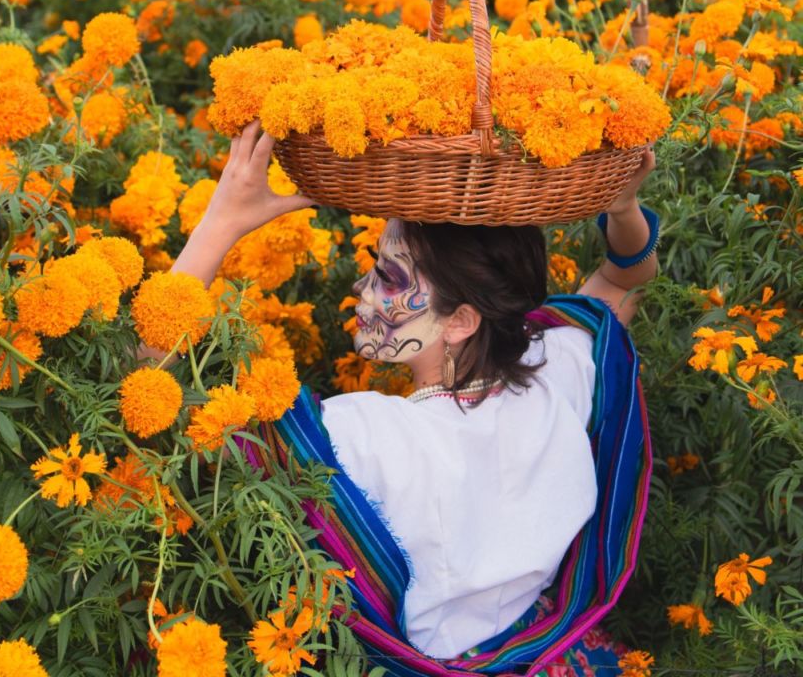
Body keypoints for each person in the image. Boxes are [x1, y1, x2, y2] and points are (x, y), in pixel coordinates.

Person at [168, 120, 657, 670]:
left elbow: (155, 388)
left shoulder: (363, 438)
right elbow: (627, 276)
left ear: (461, 321)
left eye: (387, 276)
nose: (362, 288)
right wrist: (624, 208)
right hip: (552, 651)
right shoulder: (560, 370)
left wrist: (223, 221)